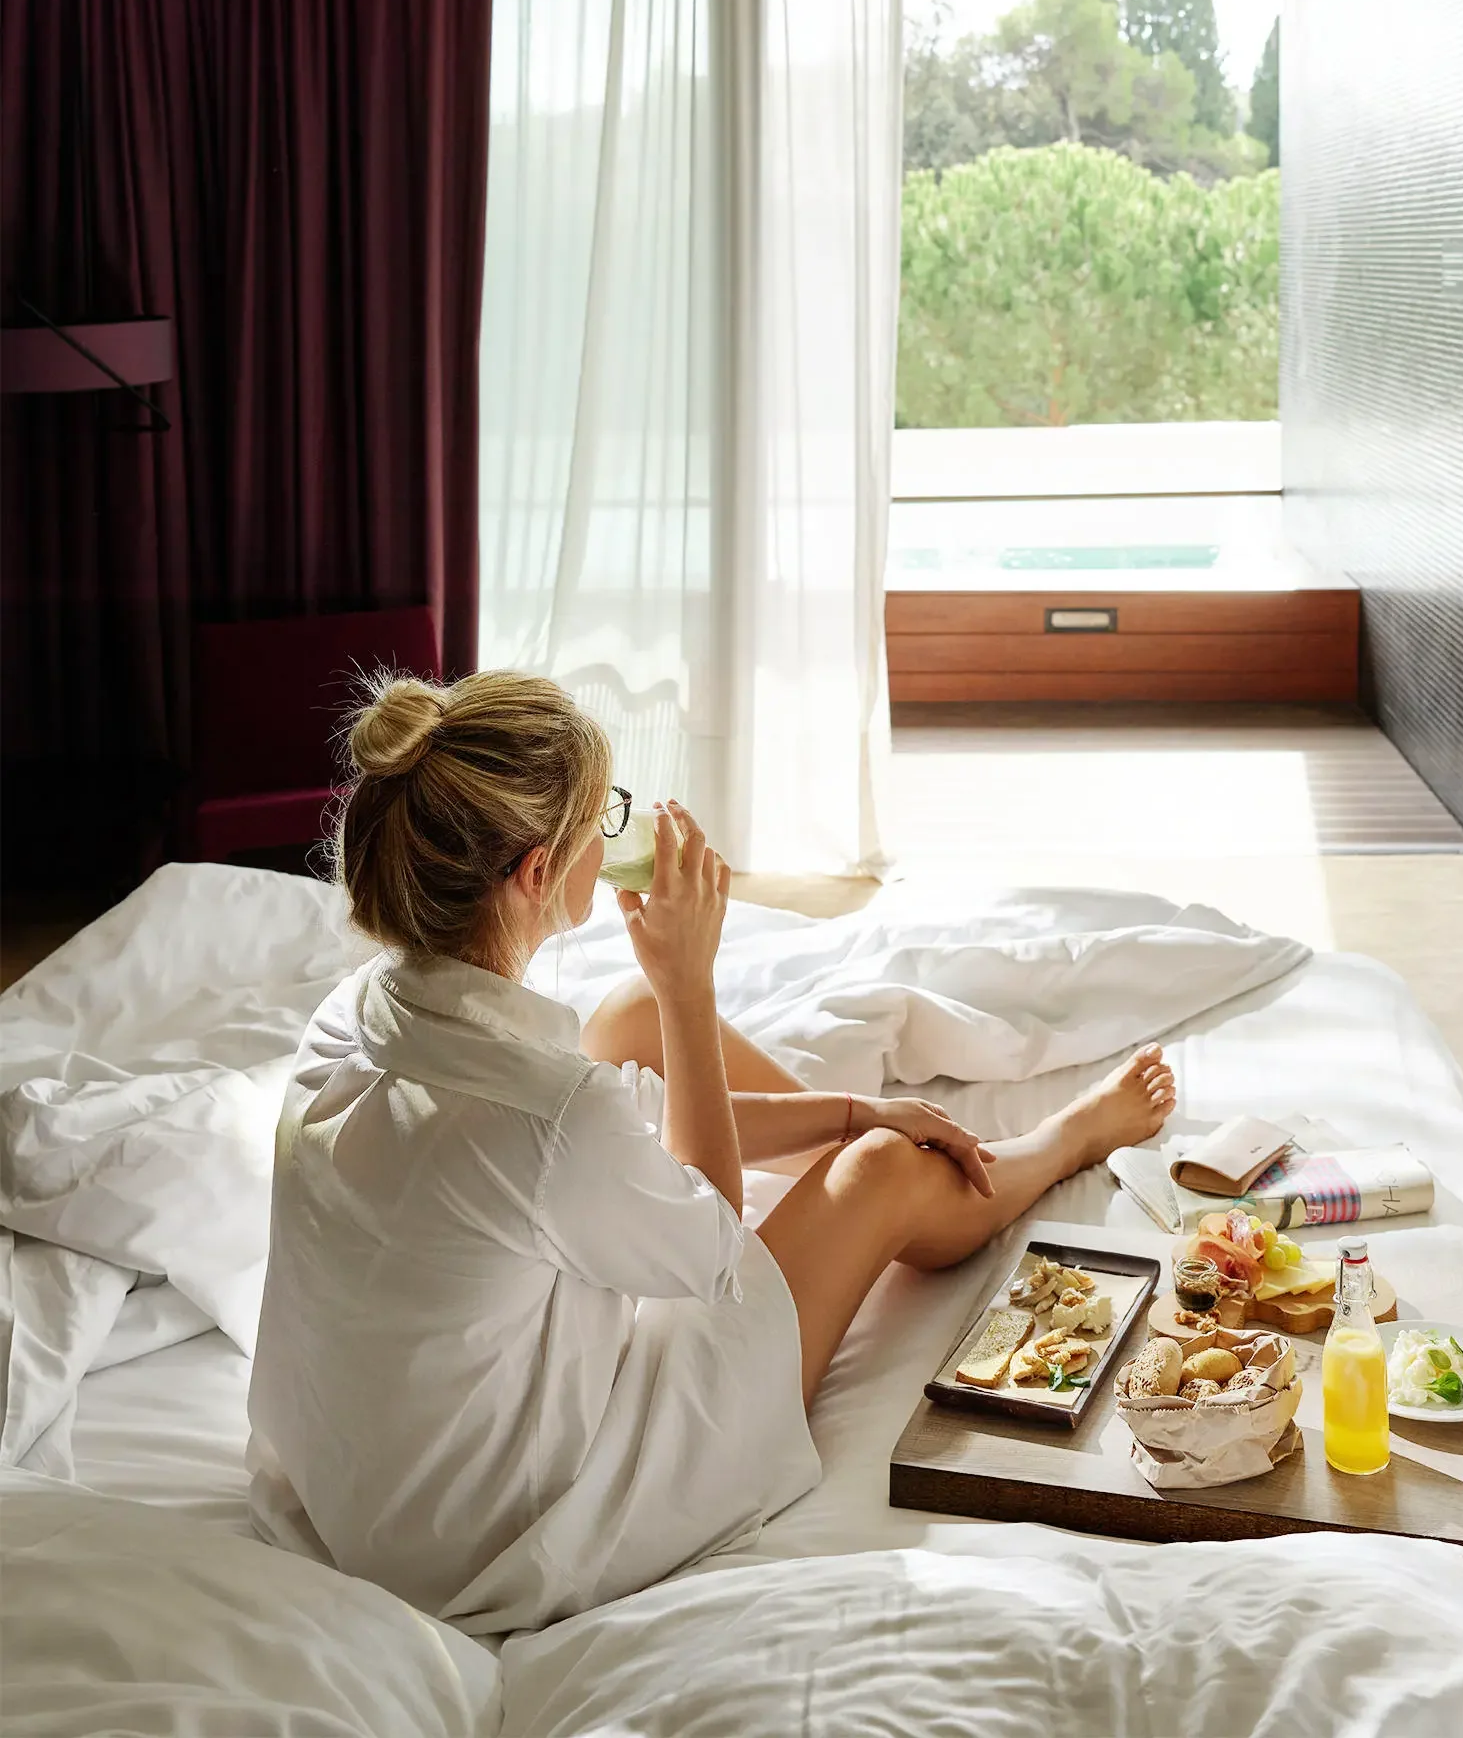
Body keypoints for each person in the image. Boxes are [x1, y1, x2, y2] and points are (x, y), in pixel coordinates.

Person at [246, 669, 1177, 1634]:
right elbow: (712, 1246)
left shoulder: (354, 1017)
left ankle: (902, 1135)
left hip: (372, 1492)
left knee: (630, 1016)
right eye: (600, 818)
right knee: (882, 1173)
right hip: (505, 1535)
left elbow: (594, 1126)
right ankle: (1061, 1139)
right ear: (534, 873)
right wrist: (692, 986)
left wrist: (854, 1106)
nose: (616, 836)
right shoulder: (548, 1119)